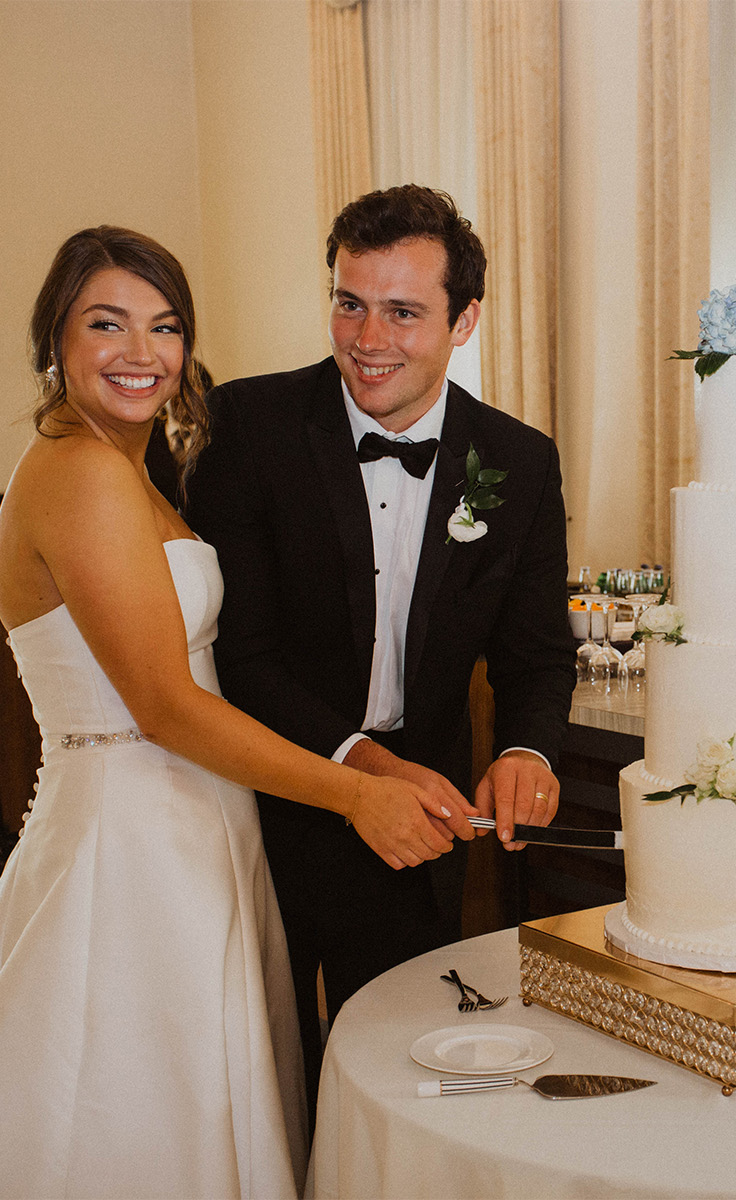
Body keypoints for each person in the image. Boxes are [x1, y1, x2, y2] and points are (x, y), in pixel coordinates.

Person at [0, 226, 469, 1198]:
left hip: (192, 822)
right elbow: (164, 706)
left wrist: (371, 763)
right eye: (106, 324)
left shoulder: (129, 468)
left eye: (165, 326)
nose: (139, 352)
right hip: (131, 838)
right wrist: (351, 796)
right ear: (53, 339)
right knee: (123, 1106)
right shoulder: (80, 477)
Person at [185, 185, 577, 1097]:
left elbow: (536, 652)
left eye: (403, 312)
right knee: (259, 1074)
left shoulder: (520, 461)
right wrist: (365, 767)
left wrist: (527, 747)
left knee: (401, 1068)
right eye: (349, 302)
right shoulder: (250, 427)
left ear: (463, 320)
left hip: (418, 823)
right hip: (265, 794)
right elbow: (240, 653)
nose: (368, 339)